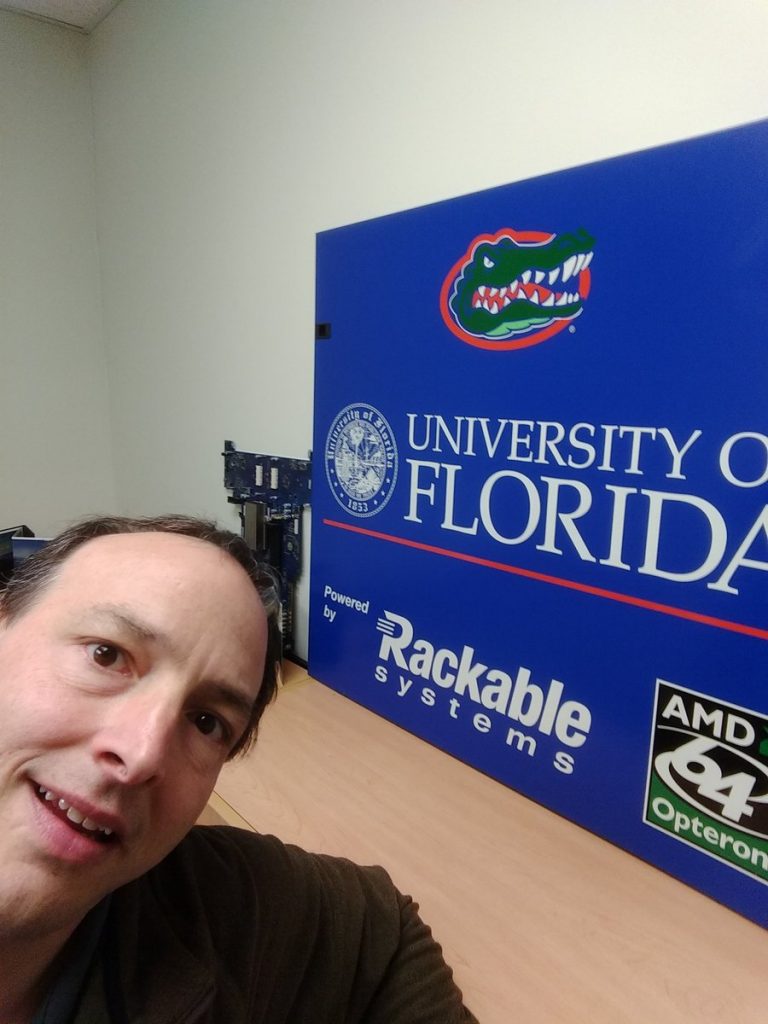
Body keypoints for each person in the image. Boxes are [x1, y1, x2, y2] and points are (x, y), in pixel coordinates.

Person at [0, 514, 477, 1023]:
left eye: (206, 722)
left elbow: (383, 932)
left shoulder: (200, 900)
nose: (142, 755)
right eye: (106, 655)